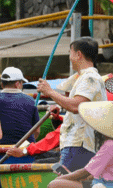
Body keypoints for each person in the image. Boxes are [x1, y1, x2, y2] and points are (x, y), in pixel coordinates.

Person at [36, 37, 106, 173]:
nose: (69, 57)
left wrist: (50, 92)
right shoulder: (83, 77)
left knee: (64, 185)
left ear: (78, 54)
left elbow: (76, 106)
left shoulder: (90, 78)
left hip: (80, 143)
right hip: (77, 143)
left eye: (70, 53)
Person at [46, 101, 113, 188]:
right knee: (60, 182)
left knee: (54, 185)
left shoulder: (111, 145)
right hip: (107, 184)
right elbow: (90, 175)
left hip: (108, 187)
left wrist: (65, 177)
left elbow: (86, 172)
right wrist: (68, 175)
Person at [0, 66, 39, 145]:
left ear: (2, 84)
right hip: (25, 148)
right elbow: (37, 130)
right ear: (17, 84)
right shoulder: (30, 100)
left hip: (0, 147)